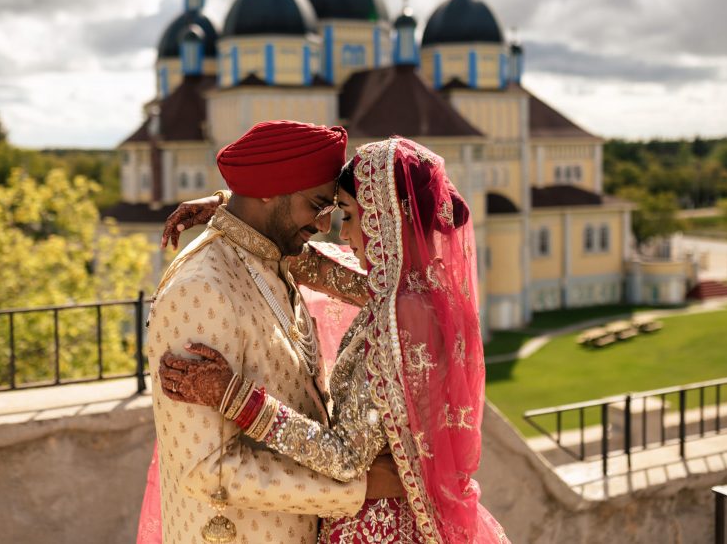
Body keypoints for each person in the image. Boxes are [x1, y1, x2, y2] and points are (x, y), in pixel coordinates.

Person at [160, 138, 509, 543]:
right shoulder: (411, 291)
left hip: (378, 528)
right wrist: (237, 206)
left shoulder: (407, 313)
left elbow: (344, 458)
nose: (343, 236)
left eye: (348, 215)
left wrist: (234, 397)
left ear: (386, 218)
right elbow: (318, 269)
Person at [139, 120, 404, 544]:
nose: (324, 227)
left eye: (333, 212)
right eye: (317, 205)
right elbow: (206, 469)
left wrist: (230, 206)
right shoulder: (203, 288)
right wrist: (359, 490)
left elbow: (388, 286)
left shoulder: (273, 256)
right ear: (269, 190)